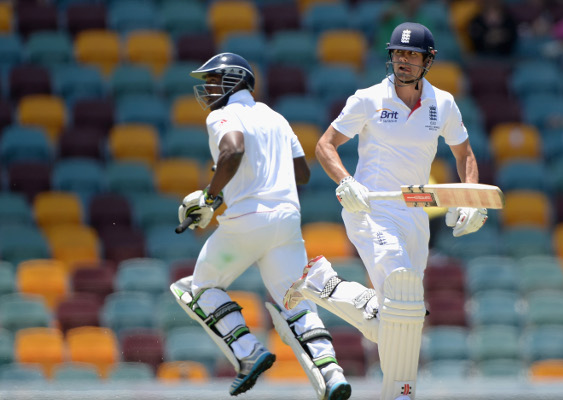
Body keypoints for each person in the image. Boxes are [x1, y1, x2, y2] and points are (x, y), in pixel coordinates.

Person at [283, 22, 488, 400]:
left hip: (414, 212)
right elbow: (326, 146)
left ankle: (324, 285)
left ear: (428, 60)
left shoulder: (443, 103)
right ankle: (402, 394)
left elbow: (465, 154)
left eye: (412, 55)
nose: (403, 61)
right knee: (401, 297)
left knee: (401, 317)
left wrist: (469, 199)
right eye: (398, 53)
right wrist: (346, 182)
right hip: (369, 207)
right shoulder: (367, 98)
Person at [169, 52, 352, 400]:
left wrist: (211, 197)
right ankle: (332, 373)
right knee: (296, 302)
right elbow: (302, 173)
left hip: (247, 222)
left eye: (213, 80)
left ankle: (248, 352)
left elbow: (234, 149)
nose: (207, 88)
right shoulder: (277, 118)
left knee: (199, 287)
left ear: (236, 80)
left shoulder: (222, 115)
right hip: (286, 222)